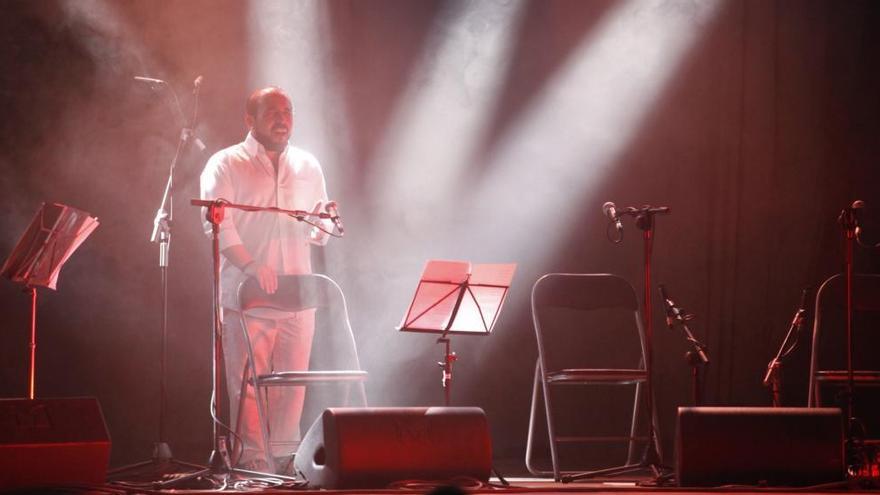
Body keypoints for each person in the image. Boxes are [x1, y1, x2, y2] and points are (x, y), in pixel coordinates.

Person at [200, 87, 331, 472]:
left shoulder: (308, 165)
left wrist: (324, 221)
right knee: (248, 386)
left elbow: (318, 229)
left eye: (287, 111)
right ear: (249, 119)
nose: (282, 118)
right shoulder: (225, 163)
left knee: (293, 383)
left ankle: (287, 459)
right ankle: (253, 463)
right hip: (248, 293)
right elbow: (219, 228)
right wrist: (253, 266)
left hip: (298, 293)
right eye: (272, 111)